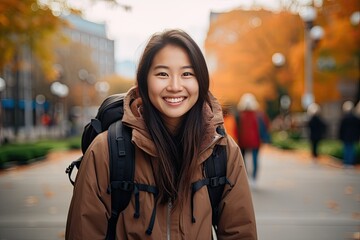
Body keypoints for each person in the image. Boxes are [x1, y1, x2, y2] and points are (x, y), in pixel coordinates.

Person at [66, 29, 257, 239]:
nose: (175, 86)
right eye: (162, 74)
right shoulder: (106, 150)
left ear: (201, 81)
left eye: (187, 73)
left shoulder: (222, 150)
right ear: (143, 81)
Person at [236, 93, 269, 187]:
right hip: (255, 141)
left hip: (243, 141)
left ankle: (245, 177)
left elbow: (237, 129)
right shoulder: (259, 115)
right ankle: (254, 178)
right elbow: (264, 127)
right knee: (255, 159)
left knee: (243, 160)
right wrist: (264, 138)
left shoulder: (239, 115)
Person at [338, 101, 360, 168]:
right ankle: (351, 163)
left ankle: (346, 162)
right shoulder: (356, 119)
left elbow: (341, 129)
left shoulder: (344, 119)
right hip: (353, 136)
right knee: (352, 149)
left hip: (346, 136)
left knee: (347, 149)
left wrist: (340, 136)